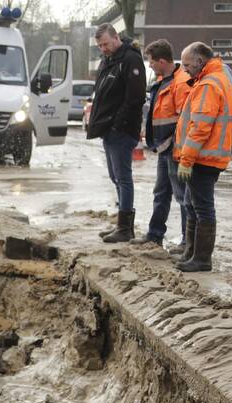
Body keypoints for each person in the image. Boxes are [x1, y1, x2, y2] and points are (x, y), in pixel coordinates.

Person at [173, 42, 232, 273]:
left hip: (203, 159)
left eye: (187, 64)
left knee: (202, 208)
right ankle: (191, 252)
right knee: (191, 204)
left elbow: (200, 126)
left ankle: (201, 259)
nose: (184, 69)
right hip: (206, 158)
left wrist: (186, 160)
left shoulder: (209, 84)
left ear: (200, 61)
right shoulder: (214, 79)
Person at [87, 24, 146, 244]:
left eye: (105, 44)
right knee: (115, 177)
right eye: (100, 45)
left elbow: (135, 97)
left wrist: (117, 123)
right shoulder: (109, 60)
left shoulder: (130, 59)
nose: (102, 48)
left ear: (116, 38)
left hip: (121, 130)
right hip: (109, 129)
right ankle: (122, 224)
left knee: (123, 178)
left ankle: (124, 228)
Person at [131, 39, 192, 250]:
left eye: (151, 61)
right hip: (164, 148)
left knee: (182, 197)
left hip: (174, 150)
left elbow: (185, 120)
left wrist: (176, 147)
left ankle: (187, 242)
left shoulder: (181, 83)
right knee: (161, 193)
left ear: (163, 61)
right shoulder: (163, 80)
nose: (149, 65)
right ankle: (155, 235)